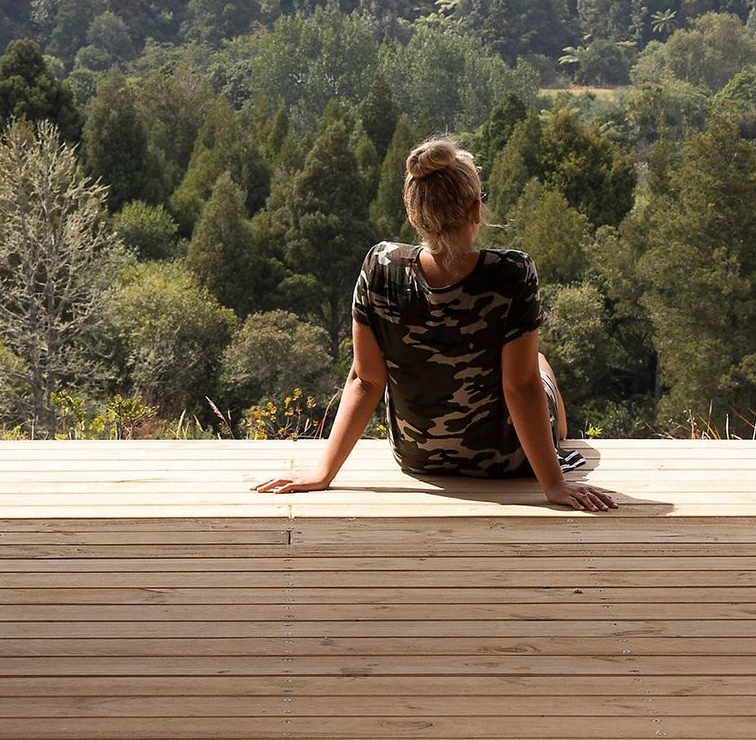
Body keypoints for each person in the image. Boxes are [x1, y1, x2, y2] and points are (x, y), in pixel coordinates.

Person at [255, 136, 615, 512]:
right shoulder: (512, 273)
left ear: (413, 216)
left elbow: (366, 380)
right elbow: (520, 387)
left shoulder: (381, 267)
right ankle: (559, 437)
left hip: (418, 456)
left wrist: (323, 474)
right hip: (507, 460)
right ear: (476, 211)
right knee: (537, 363)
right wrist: (554, 485)